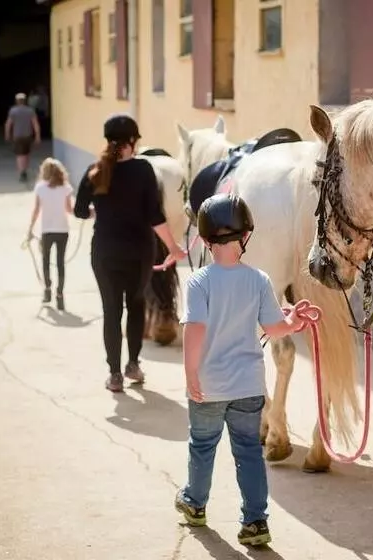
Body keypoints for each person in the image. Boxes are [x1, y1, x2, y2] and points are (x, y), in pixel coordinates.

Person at [174, 193, 311, 546]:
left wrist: (191, 374)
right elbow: (275, 327)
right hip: (249, 386)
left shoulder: (198, 281)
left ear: (204, 240)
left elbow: (195, 330)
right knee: (248, 451)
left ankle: (195, 504)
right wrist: (293, 321)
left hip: (208, 385)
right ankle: (255, 522)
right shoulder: (259, 280)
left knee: (202, 446)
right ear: (246, 236)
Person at [73, 113, 186, 392]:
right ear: (133, 141)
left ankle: (114, 375)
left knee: (111, 311)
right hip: (139, 253)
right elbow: (155, 216)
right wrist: (173, 248)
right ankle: (133, 364)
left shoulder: (95, 170)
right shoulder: (144, 170)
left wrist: (101, 211)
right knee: (135, 306)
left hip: (105, 253)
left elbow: (78, 210)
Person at [26, 157, 74, 310]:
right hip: (63, 230)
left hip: (47, 231)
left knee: (46, 261)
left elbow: (36, 210)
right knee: (60, 263)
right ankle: (60, 295)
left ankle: (47, 290)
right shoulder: (66, 188)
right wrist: (89, 213)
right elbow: (69, 210)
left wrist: (30, 229)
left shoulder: (40, 187)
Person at [4, 92, 41, 182]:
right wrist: (37, 136)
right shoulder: (30, 110)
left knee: (20, 155)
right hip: (28, 136)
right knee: (27, 154)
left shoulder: (13, 110)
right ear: (25, 101)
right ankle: (25, 169)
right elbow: (35, 124)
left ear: (17, 101)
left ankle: (22, 172)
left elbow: (8, 124)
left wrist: (7, 134)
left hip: (17, 136)